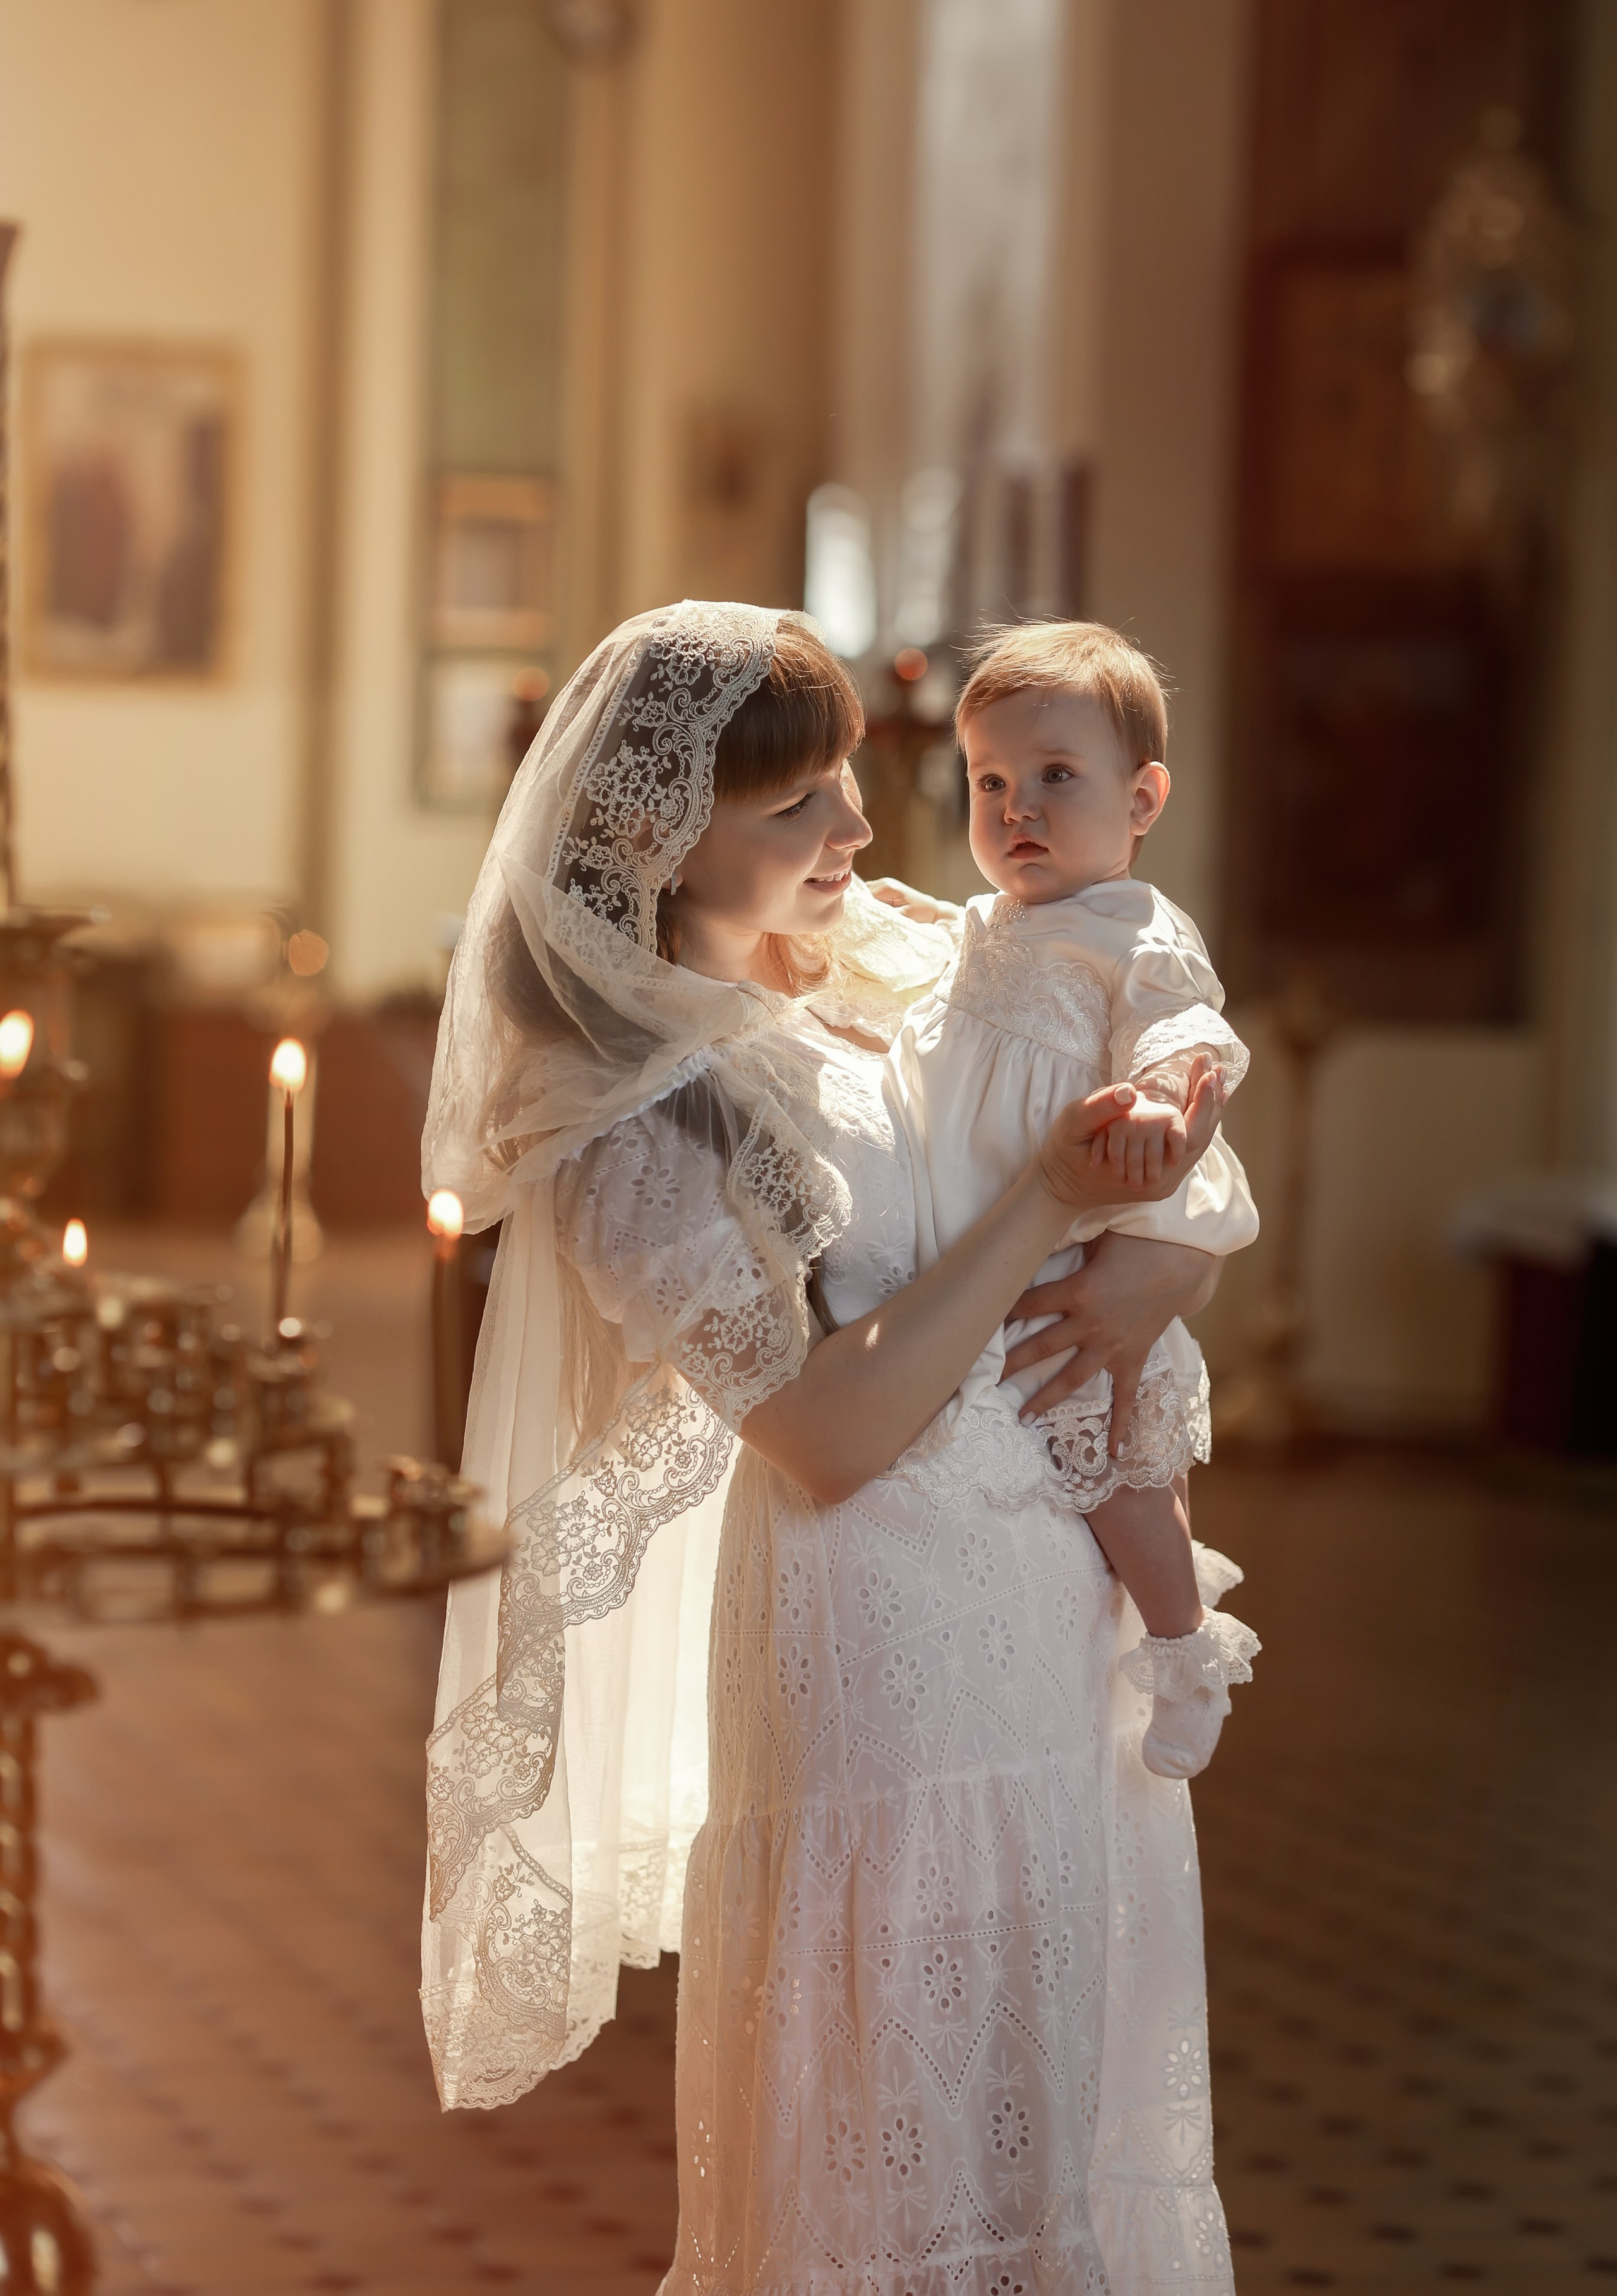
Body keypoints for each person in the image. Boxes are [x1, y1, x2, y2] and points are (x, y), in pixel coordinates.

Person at [421, 601, 1244, 2292]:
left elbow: (1129, 1055)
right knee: (894, 2142)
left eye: (854, 787)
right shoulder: (624, 1121)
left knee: (1057, 2105)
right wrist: (1051, 1217)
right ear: (663, 833)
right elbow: (828, 1432)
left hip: (1043, 1621)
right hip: (875, 1663)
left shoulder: (876, 956)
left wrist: (1157, 1252)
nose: (863, 835)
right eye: (802, 807)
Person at [881, 619, 1261, 1779]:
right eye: (990, 780)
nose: (1015, 808)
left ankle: (1186, 1647)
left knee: (1121, 1475)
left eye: (1056, 777)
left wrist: (1154, 1101)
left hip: (1075, 1259)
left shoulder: (1135, 932)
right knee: (1062, 1475)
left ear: (1143, 799)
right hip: (982, 1267)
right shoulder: (988, 923)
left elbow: (1182, 1028)